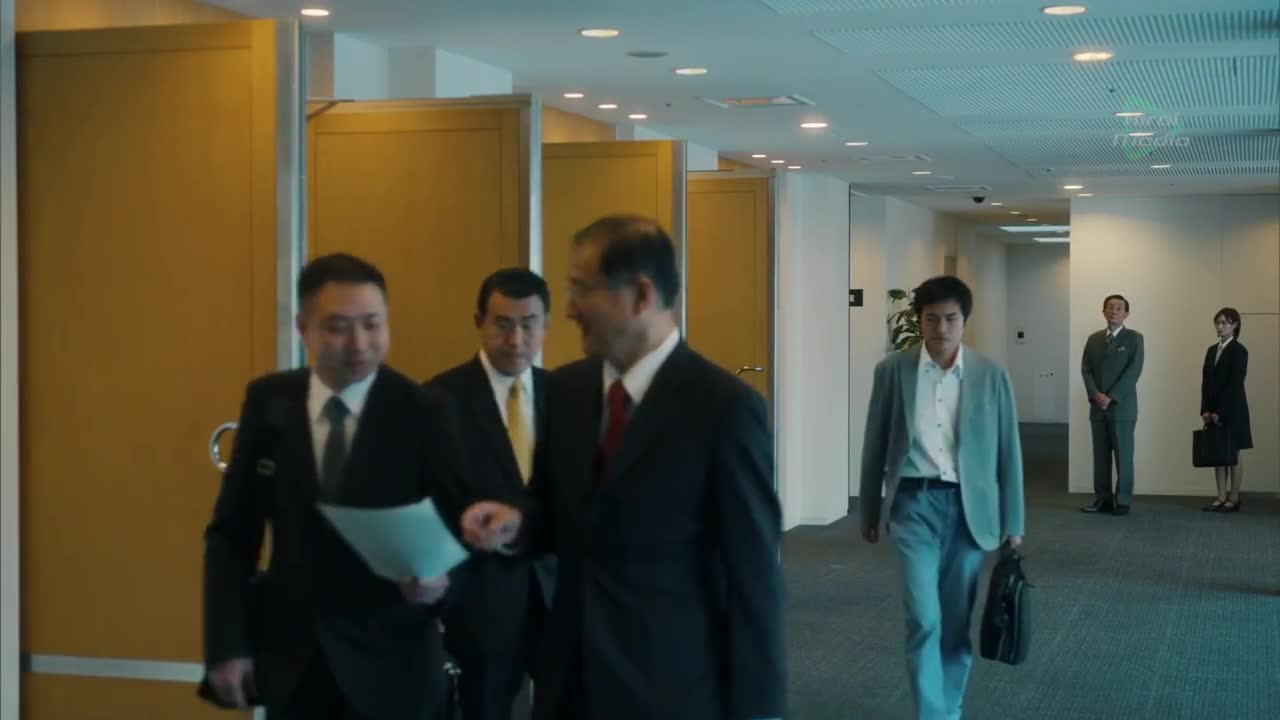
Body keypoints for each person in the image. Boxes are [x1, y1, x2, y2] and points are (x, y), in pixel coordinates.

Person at [460, 215, 786, 720]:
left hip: (669, 690)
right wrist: (515, 523)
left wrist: (759, 710)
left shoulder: (723, 409)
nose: (569, 309)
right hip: (568, 682)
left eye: (581, 289)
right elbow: (549, 506)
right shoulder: (567, 391)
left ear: (641, 295)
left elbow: (755, 579)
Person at [202, 253, 466, 720]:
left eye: (372, 324)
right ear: (303, 328)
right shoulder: (270, 401)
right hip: (295, 664)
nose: (359, 343)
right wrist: (228, 645)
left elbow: (464, 528)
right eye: (338, 327)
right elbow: (233, 533)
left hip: (394, 666)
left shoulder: (424, 410)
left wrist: (441, 581)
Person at [859, 274, 1025, 720]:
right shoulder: (892, 371)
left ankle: (949, 708)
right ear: (919, 320)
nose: (941, 328)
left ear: (964, 320)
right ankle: (931, 714)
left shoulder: (990, 375)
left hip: (969, 512)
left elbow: (1008, 453)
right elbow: (875, 443)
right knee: (923, 618)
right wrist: (869, 510)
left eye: (951, 318)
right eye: (932, 318)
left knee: (954, 621)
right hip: (912, 504)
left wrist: (1013, 522)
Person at [425, 268, 556, 720]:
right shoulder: (439, 400)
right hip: (478, 601)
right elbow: (428, 505)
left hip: (557, 594)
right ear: (478, 322)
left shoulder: (566, 396)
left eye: (529, 325)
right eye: (502, 324)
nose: (516, 340)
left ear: (546, 325)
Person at [1080, 294, 1145, 516]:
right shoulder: (1094, 339)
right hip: (1097, 407)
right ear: (1103, 311)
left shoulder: (1134, 339)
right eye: (1110, 307)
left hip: (1122, 407)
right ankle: (1103, 499)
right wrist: (1095, 394)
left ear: (1126, 313)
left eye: (1119, 308)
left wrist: (1112, 396)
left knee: (1123, 456)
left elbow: (1133, 372)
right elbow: (1086, 370)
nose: (1114, 311)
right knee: (1100, 458)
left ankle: (1123, 500)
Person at [1199, 307, 1253, 512]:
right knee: (1218, 453)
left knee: (1233, 452)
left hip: (1233, 409)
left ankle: (1234, 497)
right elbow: (1205, 382)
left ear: (1234, 325)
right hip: (1212, 410)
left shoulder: (1239, 351)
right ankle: (1221, 496)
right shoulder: (1212, 350)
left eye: (1224, 323)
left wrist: (1220, 411)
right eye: (1217, 323)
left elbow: (1235, 384)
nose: (1219, 327)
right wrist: (1205, 409)